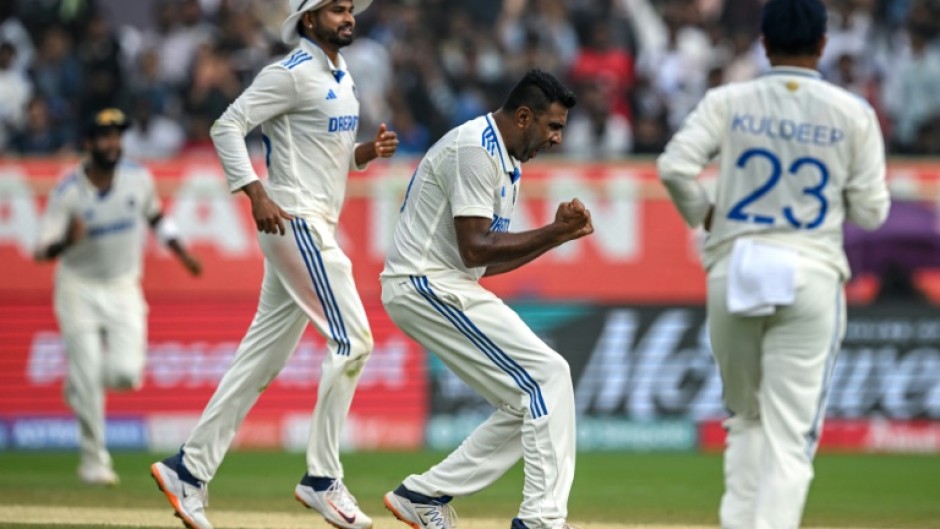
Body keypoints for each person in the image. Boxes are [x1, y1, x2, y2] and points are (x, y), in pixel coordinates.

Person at [149, 1, 398, 529]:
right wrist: (255, 194)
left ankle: (188, 471)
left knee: (258, 362)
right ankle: (322, 479)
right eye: (335, 9)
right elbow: (226, 126)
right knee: (355, 342)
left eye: (350, 8)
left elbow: (316, 151)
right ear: (309, 21)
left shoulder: (341, 73)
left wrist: (363, 154)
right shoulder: (289, 73)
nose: (347, 16)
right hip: (294, 220)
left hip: (313, 221)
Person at [656, 1, 890, 528]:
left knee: (745, 419)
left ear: (763, 43)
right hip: (809, 270)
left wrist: (707, 214)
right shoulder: (852, 112)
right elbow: (874, 212)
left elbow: (674, 167)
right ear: (824, 44)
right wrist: (832, 201)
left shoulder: (729, 99)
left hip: (735, 266)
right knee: (790, 436)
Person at [381, 69, 590, 529]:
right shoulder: (478, 149)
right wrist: (556, 231)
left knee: (529, 400)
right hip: (425, 282)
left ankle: (422, 494)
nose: (556, 139)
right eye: (552, 126)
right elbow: (476, 248)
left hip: (444, 281)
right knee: (548, 376)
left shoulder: (505, 158)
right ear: (522, 116)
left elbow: (480, 262)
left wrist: (556, 237)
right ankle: (541, 520)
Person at [34, 107, 202, 486]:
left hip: (124, 285)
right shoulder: (68, 191)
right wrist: (66, 240)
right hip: (77, 287)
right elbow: (41, 250)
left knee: (126, 374)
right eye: (105, 137)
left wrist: (181, 250)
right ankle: (94, 462)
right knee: (89, 372)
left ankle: (80, 383)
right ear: (89, 143)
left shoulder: (137, 178)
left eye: (117, 136)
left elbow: (157, 217)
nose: (113, 143)